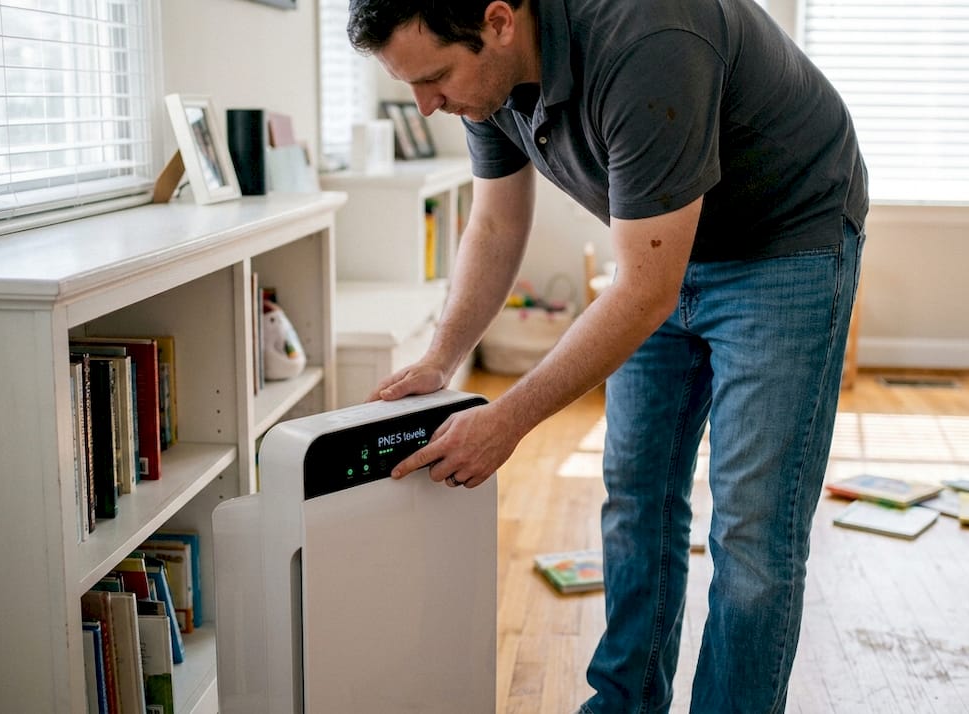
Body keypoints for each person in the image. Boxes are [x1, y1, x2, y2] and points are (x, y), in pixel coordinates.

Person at [348, 0, 866, 711]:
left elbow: (645, 292)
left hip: (783, 240)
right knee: (636, 497)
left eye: (434, 78)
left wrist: (507, 420)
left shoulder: (647, 38)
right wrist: (442, 355)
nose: (426, 105)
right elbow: (495, 224)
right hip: (657, 250)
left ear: (499, 20)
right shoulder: (486, 78)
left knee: (752, 534)